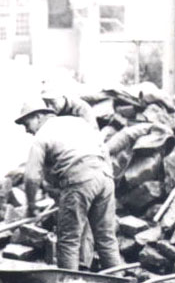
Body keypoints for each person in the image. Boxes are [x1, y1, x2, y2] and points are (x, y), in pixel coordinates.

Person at [15, 101, 121, 271]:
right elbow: (105, 151)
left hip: (79, 179)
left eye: (26, 124)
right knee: (107, 238)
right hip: (105, 177)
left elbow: (31, 177)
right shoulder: (78, 122)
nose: (26, 130)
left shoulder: (42, 135)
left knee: (68, 240)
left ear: (38, 116)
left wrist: (32, 206)